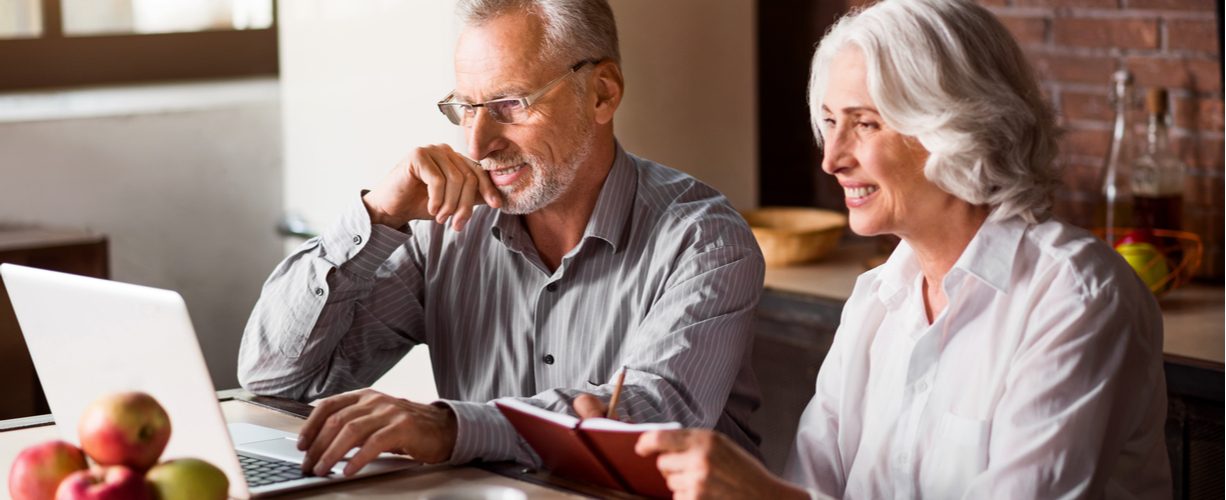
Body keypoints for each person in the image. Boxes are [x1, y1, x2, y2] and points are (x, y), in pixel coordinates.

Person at [629, 0, 1172, 498]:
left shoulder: (1075, 297)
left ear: (957, 126)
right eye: (829, 124)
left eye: (865, 124)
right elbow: (813, 486)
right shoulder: (875, 300)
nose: (832, 159)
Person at [236, 0, 764, 478]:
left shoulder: (703, 238)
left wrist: (450, 428)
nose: (478, 142)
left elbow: (651, 421)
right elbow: (274, 379)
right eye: (466, 108)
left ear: (602, 93)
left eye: (509, 104)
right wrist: (378, 214)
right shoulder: (447, 232)